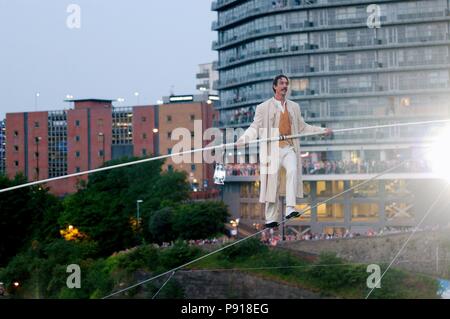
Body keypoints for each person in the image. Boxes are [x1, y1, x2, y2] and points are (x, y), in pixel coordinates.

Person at [236, 74, 332, 228]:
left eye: (286, 83)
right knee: (272, 183)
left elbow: (303, 127)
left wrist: (321, 130)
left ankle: (290, 208)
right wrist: (244, 139)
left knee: (293, 170)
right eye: (281, 83)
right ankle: (270, 219)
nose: (285, 86)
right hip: (271, 150)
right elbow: (255, 127)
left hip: (288, 148)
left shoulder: (294, 107)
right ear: (275, 86)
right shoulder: (263, 107)